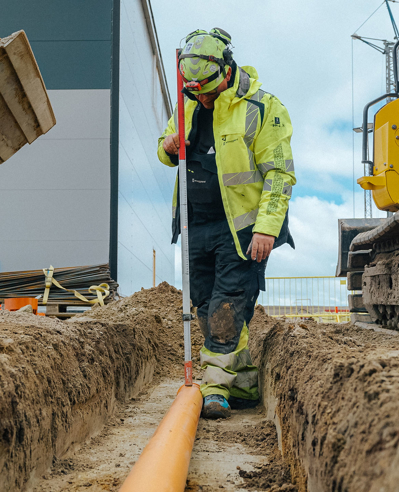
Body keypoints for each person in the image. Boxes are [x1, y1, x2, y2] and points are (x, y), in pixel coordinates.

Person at [157, 28, 296, 419]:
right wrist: (168, 146)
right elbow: (167, 146)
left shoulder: (262, 107)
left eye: (208, 92)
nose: (202, 98)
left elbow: (280, 174)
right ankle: (247, 381)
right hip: (194, 224)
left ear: (227, 71)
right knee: (205, 304)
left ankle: (215, 386)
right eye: (195, 91)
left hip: (242, 229)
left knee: (227, 306)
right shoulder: (188, 101)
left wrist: (268, 227)